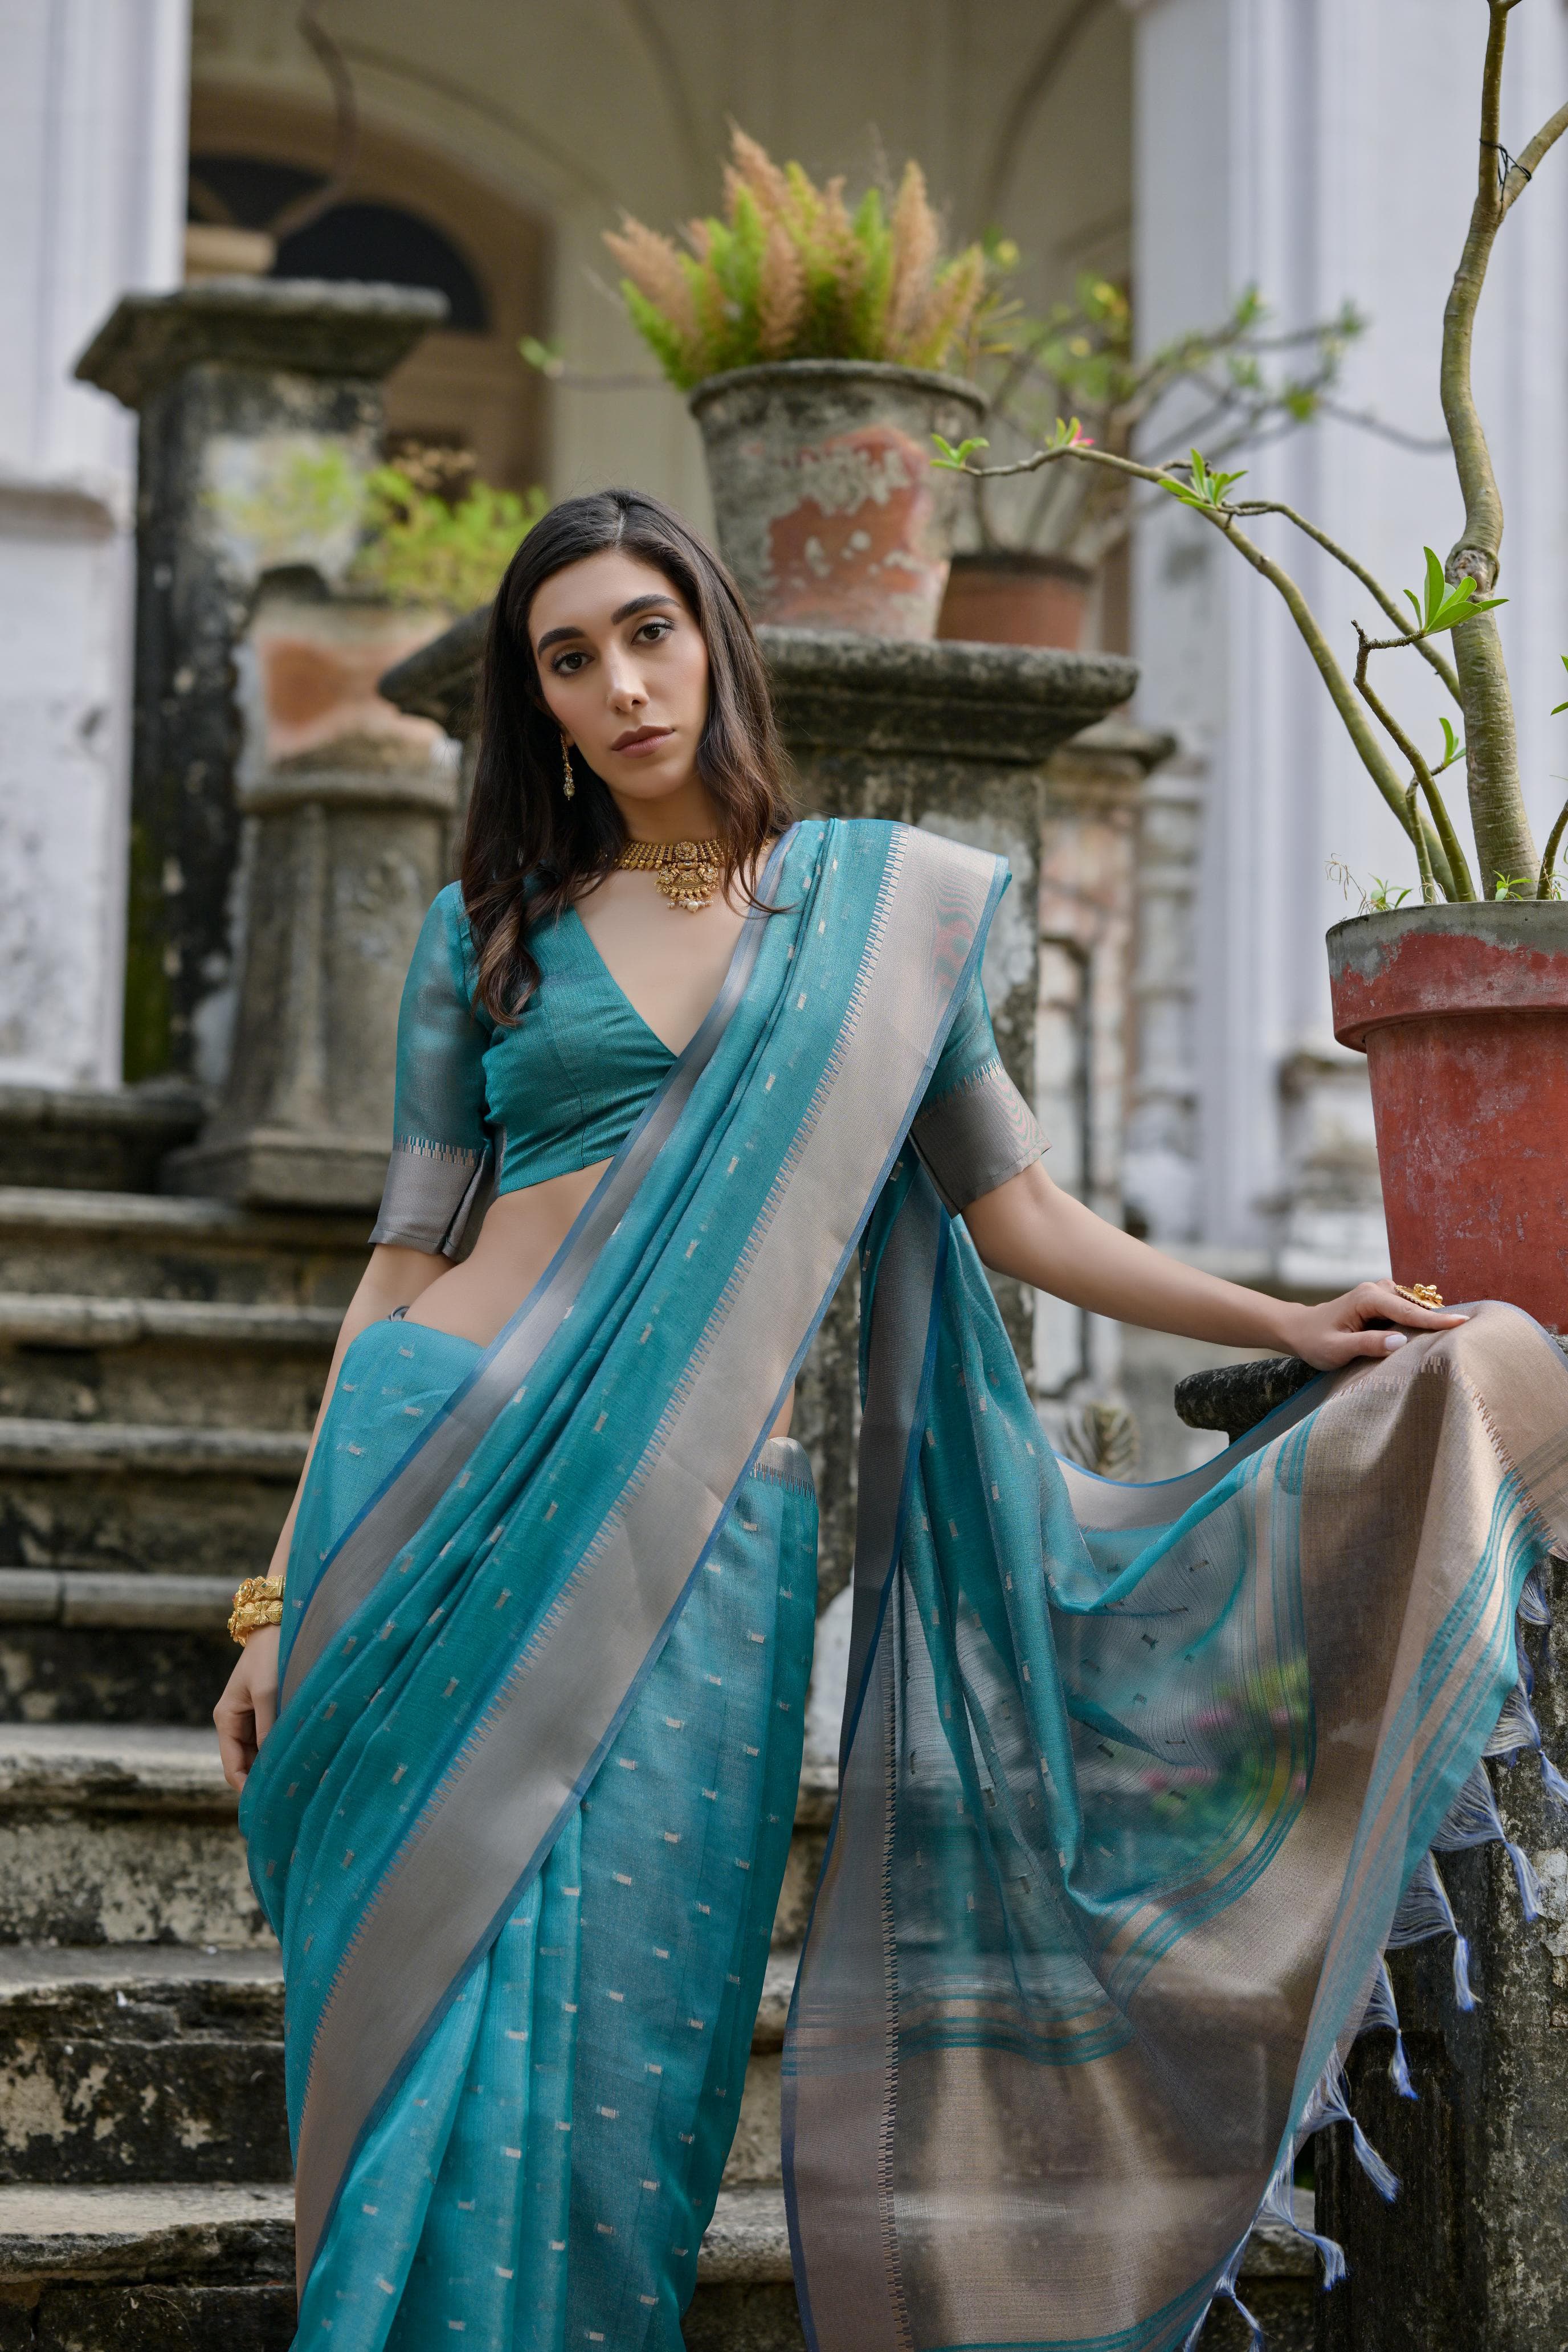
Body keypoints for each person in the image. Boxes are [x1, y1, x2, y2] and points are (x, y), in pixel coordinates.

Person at [215, 488, 1568, 2352]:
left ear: (718, 636)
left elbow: (1025, 1216)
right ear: (535, 704)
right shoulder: (493, 933)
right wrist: (277, 1593)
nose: (621, 684)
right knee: (408, 2026)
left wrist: (1284, 1313)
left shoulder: (876, 924)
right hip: (424, 1480)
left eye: (649, 631)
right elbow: (395, 1266)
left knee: (636, 2036)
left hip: (703, 1538)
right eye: (570, 658)